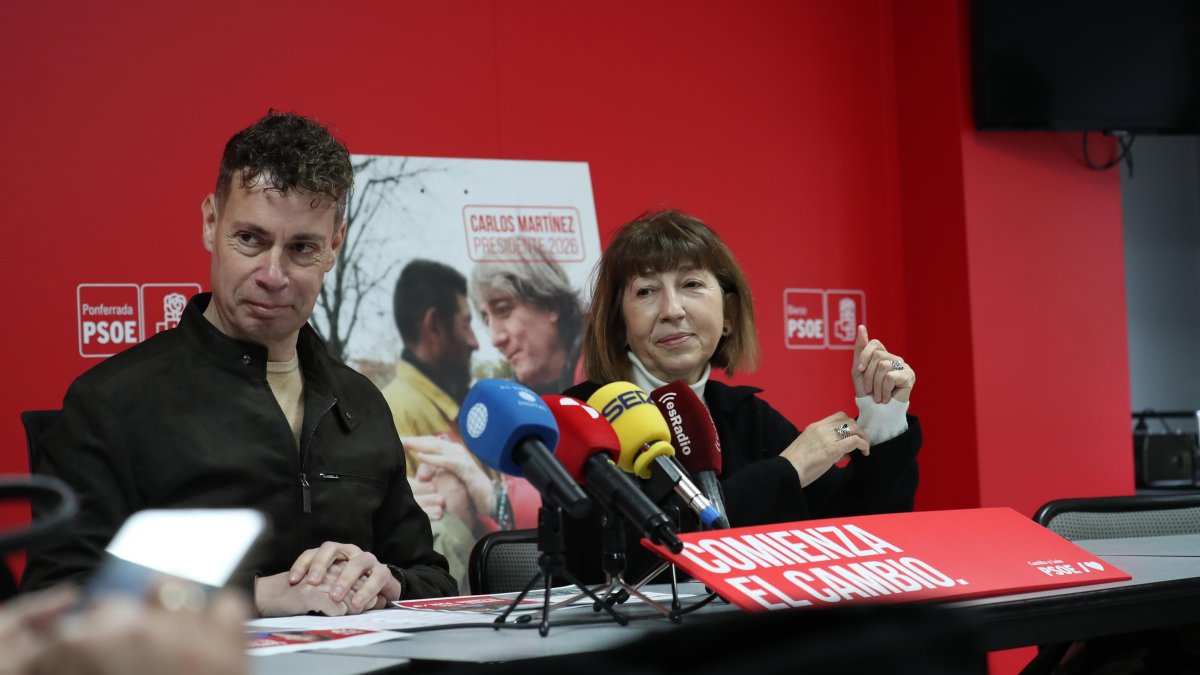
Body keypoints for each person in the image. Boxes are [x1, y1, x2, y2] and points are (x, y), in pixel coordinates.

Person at [21, 111, 457, 613]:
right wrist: (254, 596)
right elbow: (56, 599)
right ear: (211, 223)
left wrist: (390, 582)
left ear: (334, 246)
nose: (273, 274)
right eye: (250, 239)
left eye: (302, 248)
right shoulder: (110, 403)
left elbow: (435, 581)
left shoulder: (362, 402)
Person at [564, 210, 921, 580]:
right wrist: (786, 471)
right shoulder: (584, 416)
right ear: (619, 325)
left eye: (691, 284)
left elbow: (865, 538)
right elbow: (613, 558)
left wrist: (882, 417)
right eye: (646, 291)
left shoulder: (746, 416)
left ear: (729, 315)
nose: (672, 310)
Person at [381, 259, 516, 593]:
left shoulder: (464, 406)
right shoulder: (393, 411)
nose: (476, 342)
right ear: (435, 325)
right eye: (467, 323)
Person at [470, 240, 586, 396]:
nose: (495, 339)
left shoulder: (614, 371)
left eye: (503, 310)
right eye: (486, 320)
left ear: (551, 304)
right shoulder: (508, 406)